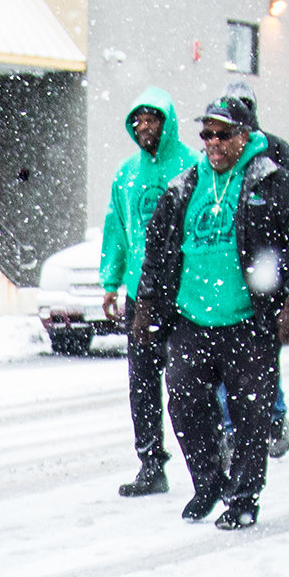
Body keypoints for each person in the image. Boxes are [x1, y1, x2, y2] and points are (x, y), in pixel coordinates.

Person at [135, 97, 289, 530]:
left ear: (245, 135)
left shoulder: (271, 182)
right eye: (207, 134)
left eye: (223, 134)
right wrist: (147, 303)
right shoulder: (184, 186)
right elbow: (158, 252)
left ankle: (242, 498)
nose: (214, 142)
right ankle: (207, 483)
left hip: (249, 320)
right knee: (185, 405)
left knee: (250, 417)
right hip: (191, 318)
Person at [99, 87, 197, 497]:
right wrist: (111, 281)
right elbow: (117, 227)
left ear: (167, 122)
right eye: (138, 120)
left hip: (184, 294)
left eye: (152, 119)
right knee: (141, 384)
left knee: (189, 385)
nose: (144, 126)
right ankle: (150, 464)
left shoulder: (192, 166)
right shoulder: (126, 174)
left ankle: (207, 463)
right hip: (141, 296)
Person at [213, 82, 289, 459]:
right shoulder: (214, 165)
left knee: (263, 357)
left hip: (267, 277)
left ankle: (273, 416)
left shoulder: (276, 152)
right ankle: (231, 428)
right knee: (224, 362)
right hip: (227, 280)